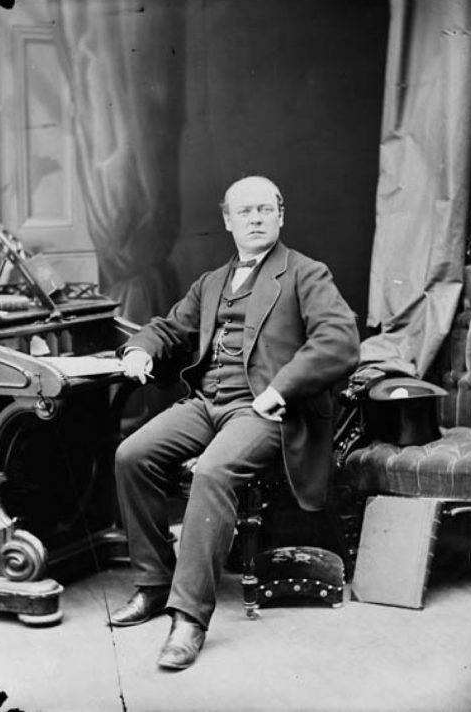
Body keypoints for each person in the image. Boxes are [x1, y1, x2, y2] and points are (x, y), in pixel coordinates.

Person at [111, 175, 360, 671]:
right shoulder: (210, 282)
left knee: (212, 471)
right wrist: (141, 348)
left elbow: (339, 340)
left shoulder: (306, 274)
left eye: (265, 209)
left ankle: (188, 618)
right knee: (131, 456)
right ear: (227, 220)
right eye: (244, 211)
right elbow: (169, 327)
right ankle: (154, 583)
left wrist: (279, 389)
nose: (255, 218)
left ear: (281, 214)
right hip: (207, 404)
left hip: (264, 410)